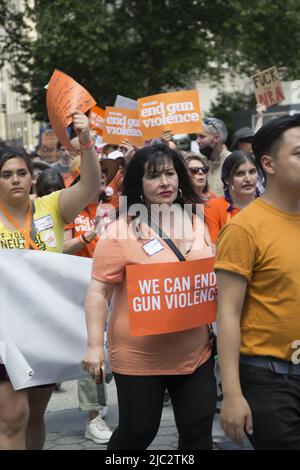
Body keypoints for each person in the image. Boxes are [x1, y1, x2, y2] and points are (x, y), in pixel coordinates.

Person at [82, 143, 217, 450]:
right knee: (138, 432)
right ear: (138, 185)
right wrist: (94, 346)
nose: (165, 182)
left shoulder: (198, 222)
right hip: (139, 358)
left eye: (170, 173)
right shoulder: (120, 232)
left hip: (196, 354)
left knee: (198, 434)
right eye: (154, 176)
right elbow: (98, 291)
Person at [0, 110, 100, 450]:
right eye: (6, 174)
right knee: (12, 416)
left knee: (35, 415)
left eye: (21, 173)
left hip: (43, 330)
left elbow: (89, 186)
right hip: (4, 336)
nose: (15, 180)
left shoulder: (50, 207)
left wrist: (86, 143)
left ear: (31, 177)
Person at [215, 113, 300, 449]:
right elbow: (228, 314)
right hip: (269, 380)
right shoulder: (243, 229)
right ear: (269, 163)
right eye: (298, 152)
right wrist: (233, 394)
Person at [64, 156, 118, 445]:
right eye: (95, 174)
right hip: (83, 294)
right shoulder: (69, 209)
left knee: (110, 359)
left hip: (115, 292)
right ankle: (93, 417)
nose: (102, 179)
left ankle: (99, 397)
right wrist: (89, 235)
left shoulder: (114, 207)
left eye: (104, 175)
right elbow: (59, 248)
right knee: (93, 357)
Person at [205, 151, 259, 243]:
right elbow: (214, 249)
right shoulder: (213, 206)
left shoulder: (269, 206)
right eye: (240, 174)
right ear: (227, 180)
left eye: (252, 172)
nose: (248, 179)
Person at [196, 117, 230, 196]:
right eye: (197, 137)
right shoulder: (198, 161)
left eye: (202, 136)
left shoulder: (232, 161)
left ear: (216, 138)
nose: (197, 141)